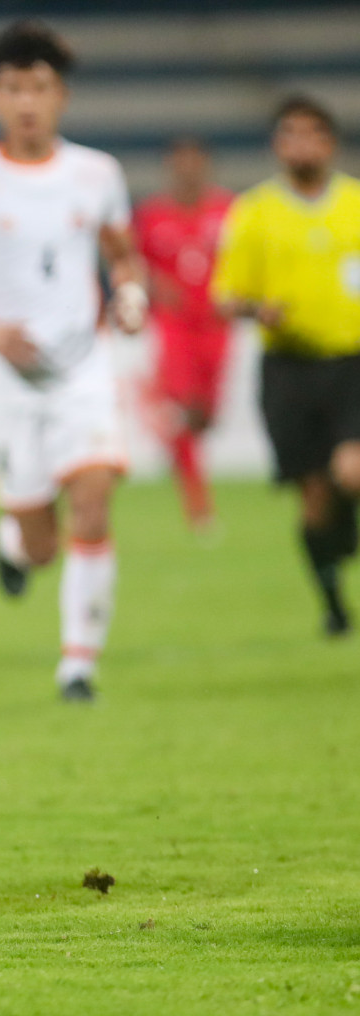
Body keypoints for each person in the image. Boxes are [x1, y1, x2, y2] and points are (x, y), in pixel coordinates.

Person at [0, 21, 148, 703]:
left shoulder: (96, 173)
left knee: (95, 500)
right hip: (7, 377)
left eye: (38, 88)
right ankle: (15, 543)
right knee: (41, 542)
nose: (26, 102)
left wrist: (129, 294)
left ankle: (76, 664)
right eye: (13, 88)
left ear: (60, 96)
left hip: (82, 365)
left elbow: (121, 253)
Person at [212, 96, 360, 637]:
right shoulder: (254, 212)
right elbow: (225, 296)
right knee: (315, 497)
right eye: (290, 133)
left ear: (331, 142)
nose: (302, 143)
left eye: (313, 133)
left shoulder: (355, 204)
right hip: (288, 368)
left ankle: (345, 533)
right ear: (278, 145)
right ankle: (333, 601)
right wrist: (258, 308)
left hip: (352, 363)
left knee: (352, 470)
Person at [135, 139, 235, 532]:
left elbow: (246, 259)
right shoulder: (151, 215)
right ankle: (198, 502)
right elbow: (133, 264)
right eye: (180, 163)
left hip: (216, 324)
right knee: (183, 407)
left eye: (194, 162)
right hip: (173, 325)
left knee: (205, 416)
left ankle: (181, 456)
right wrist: (154, 286)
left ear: (206, 166)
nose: (187, 170)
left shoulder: (228, 211)